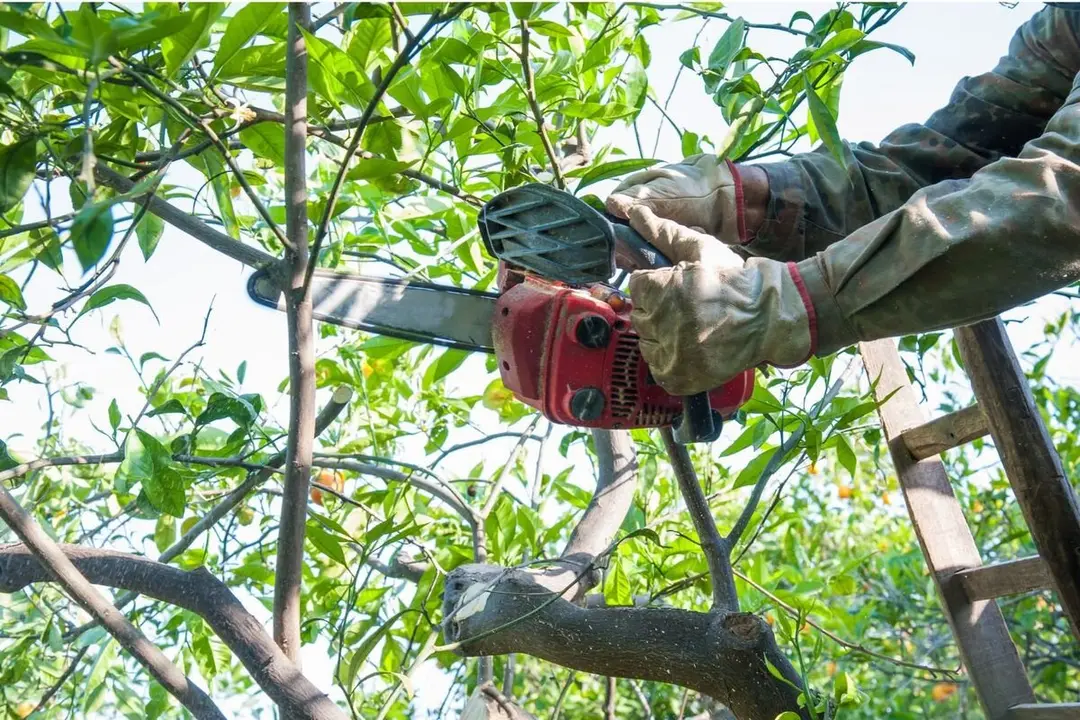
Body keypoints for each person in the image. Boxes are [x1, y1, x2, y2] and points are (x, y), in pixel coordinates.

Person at [606, 4, 1080, 396]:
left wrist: (780, 306)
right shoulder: (1064, 26)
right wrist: (742, 197)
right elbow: (937, 162)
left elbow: (1062, 195)